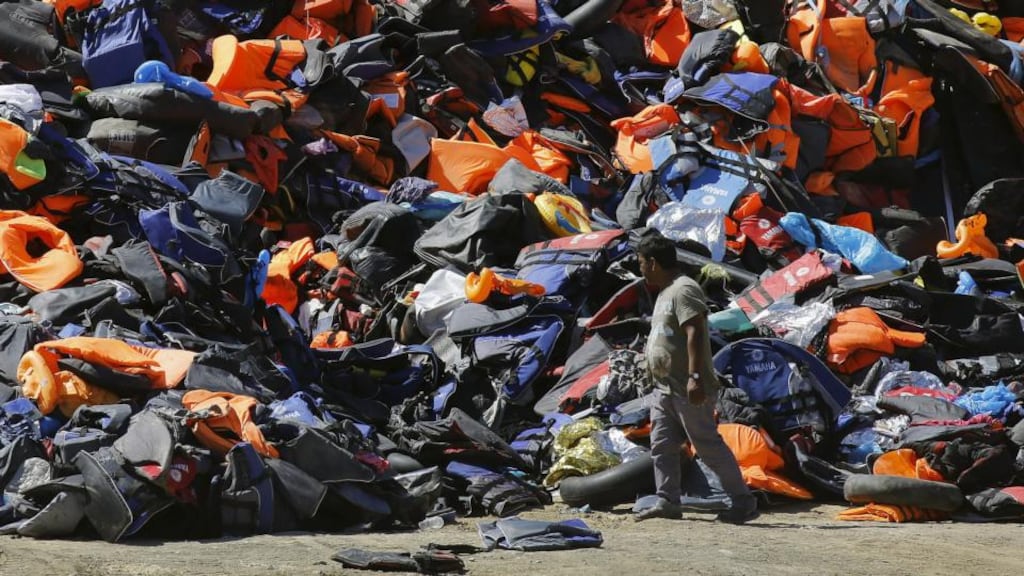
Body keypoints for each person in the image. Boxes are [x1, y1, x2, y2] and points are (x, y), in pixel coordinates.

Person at [634, 234, 759, 524]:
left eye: (641, 262)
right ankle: (668, 500)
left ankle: (743, 501)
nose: (639, 268)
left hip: (688, 388)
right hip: (664, 387)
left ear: (653, 262)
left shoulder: (684, 290)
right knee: (662, 445)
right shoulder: (665, 291)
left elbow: (695, 332)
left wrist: (695, 377)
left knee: (707, 446)